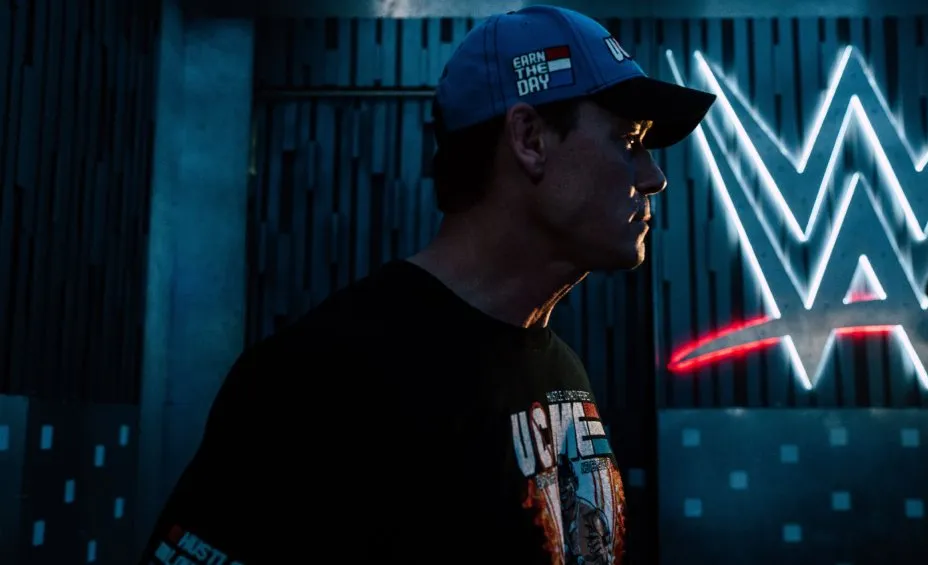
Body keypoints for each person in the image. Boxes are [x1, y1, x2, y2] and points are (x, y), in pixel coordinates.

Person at [137, 5, 714, 564]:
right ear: (530, 139)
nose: (654, 178)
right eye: (628, 140)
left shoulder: (561, 371)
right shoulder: (320, 382)